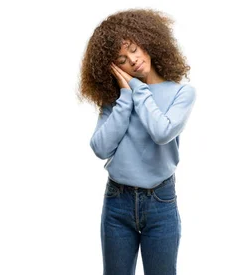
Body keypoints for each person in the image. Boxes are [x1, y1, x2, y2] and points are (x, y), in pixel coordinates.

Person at [80, 9, 196, 275]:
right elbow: (100, 148)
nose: (132, 60)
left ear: (148, 42)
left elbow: (161, 131)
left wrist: (139, 89)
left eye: (134, 49)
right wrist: (124, 96)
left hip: (161, 203)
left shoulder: (182, 93)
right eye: (121, 59)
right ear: (114, 69)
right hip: (116, 202)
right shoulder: (116, 100)